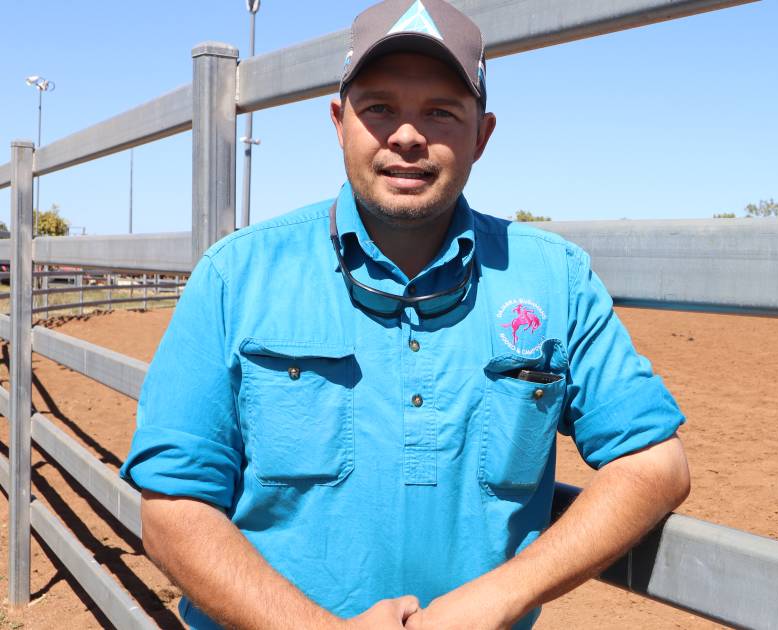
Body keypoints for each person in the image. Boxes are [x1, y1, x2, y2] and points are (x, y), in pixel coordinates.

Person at [119, 0, 691, 628]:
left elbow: (653, 464)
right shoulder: (237, 277)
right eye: (380, 108)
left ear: (483, 134)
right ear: (339, 122)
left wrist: (501, 597)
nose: (408, 135)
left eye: (441, 111)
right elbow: (173, 507)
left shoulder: (554, 278)